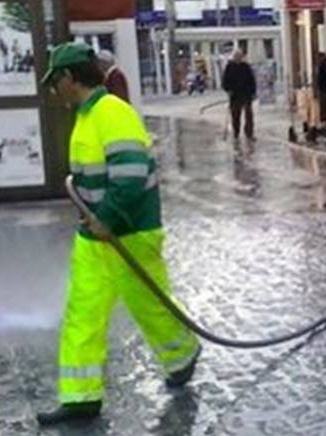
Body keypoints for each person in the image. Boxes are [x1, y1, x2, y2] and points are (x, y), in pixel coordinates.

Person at [36, 42, 201, 426]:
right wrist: (95, 217)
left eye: (54, 81)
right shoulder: (87, 114)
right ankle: (81, 398)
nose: (53, 89)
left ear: (69, 77)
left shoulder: (111, 112)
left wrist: (107, 216)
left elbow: (130, 171)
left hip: (129, 232)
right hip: (98, 236)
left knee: (148, 303)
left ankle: (182, 356)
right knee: (83, 312)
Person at [221, 49, 257, 142]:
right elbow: (225, 82)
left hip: (246, 94)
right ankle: (236, 133)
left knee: (249, 115)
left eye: (240, 56)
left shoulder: (246, 67)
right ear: (234, 57)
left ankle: (249, 133)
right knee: (235, 115)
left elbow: (252, 80)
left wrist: (253, 92)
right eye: (237, 57)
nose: (238, 58)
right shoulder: (229, 67)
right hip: (235, 95)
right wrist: (228, 90)